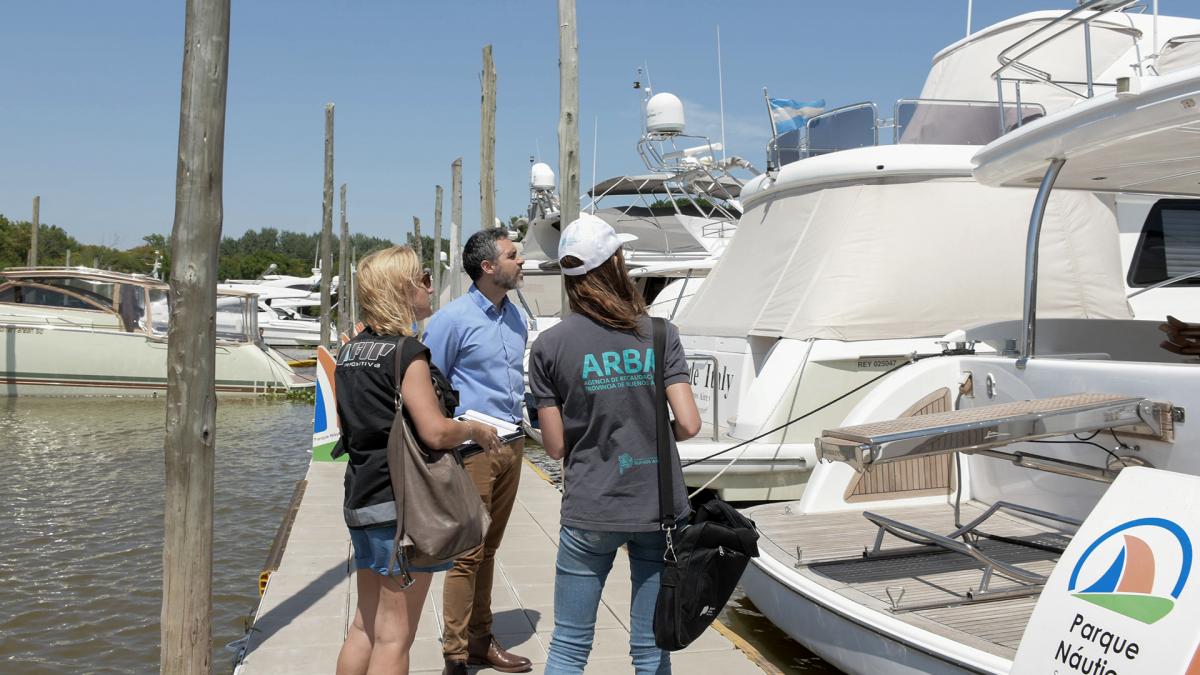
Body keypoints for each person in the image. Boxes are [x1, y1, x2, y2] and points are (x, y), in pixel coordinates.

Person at [528, 214, 702, 675]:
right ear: (617, 263)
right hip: (657, 509)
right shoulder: (661, 333)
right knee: (650, 649)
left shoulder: (549, 345)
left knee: (568, 645)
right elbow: (688, 424)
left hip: (591, 507)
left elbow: (555, 446)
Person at [334, 245, 503, 675]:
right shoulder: (406, 353)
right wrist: (475, 430)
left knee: (364, 625)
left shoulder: (350, 353)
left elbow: (350, 425)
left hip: (362, 496)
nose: (430, 286)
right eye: (424, 278)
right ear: (403, 288)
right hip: (403, 507)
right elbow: (434, 431)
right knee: (396, 634)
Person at [422, 228, 532, 675]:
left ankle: (482, 639)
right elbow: (431, 386)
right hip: (472, 452)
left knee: (489, 550)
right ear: (488, 267)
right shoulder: (452, 319)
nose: (521, 261)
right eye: (513, 255)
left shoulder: (516, 317)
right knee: (468, 553)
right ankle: (456, 655)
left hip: (513, 446)